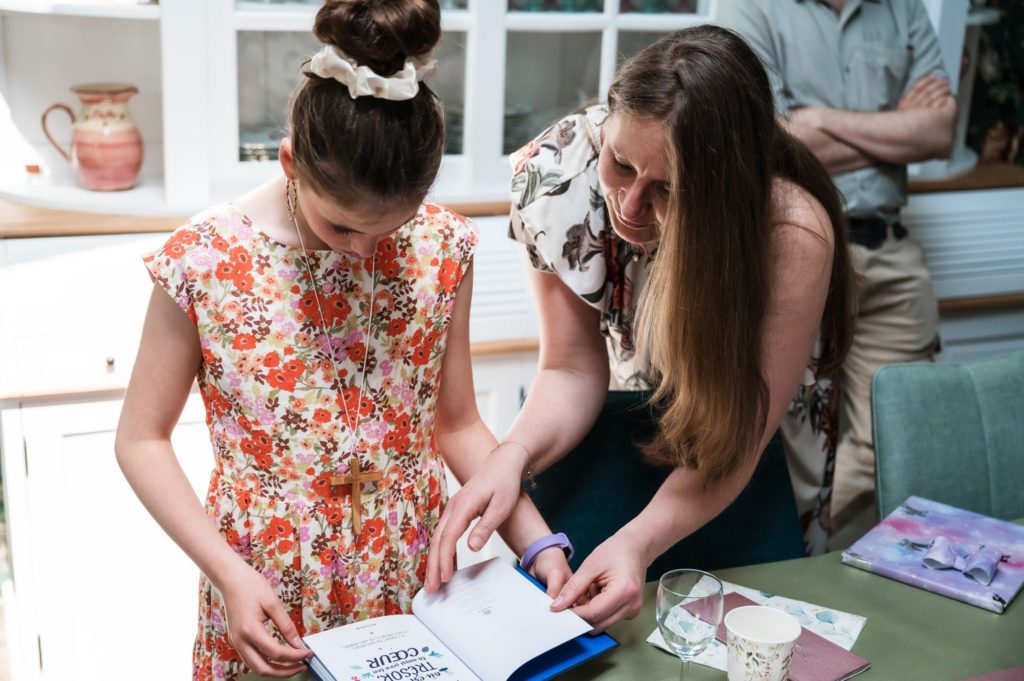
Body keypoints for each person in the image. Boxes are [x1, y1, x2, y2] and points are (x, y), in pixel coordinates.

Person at [114, 1, 569, 679]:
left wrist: (539, 546)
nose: (364, 253)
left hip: (408, 585)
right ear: (292, 162)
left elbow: (460, 423)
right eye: (342, 230)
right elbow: (140, 440)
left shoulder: (444, 248)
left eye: (390, 231)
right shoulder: (203, 263)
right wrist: (228, 576)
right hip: (264, 591)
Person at [425, 24, 855, 632]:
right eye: (621, 163)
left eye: (667, 191)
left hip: (754, 445)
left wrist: (640, 543)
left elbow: (739, 439)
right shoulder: (560, 173)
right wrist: (511, 456)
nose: (627, 208)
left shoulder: (790, 233)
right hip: (639, 411)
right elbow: (572, 368)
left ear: (724, 194)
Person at [718, 0, 957, 550]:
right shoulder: (750, 10)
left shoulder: (904, 11)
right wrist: (893, 127)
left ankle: (814, 562)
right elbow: (762, 141)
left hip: (890, 254)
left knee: (896, 440)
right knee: (789, 440)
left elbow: (938, 132)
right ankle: (779, 571)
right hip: (794, 247)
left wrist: (820, 119)